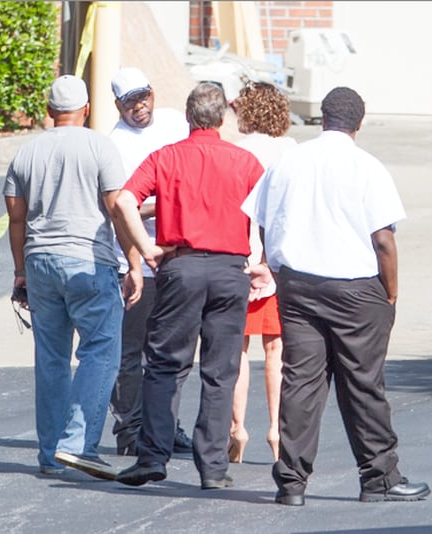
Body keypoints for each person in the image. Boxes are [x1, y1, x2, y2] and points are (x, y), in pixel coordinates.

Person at [241, 86, 430, 506]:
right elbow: (383, 239)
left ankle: (291, 482)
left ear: (322, 119)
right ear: (359, 123)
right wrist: (391, 293)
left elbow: (264, 222)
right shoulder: (367, 167)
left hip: (299, 284)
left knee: (301, 382)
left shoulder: (288, 162)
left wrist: (276, 264)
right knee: (362, 383)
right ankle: (379, 477)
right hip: (356, 289)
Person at [112, 82, 267, 490]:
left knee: (165, 365)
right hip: (231, 270)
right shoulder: (246, 161)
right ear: (222, 118)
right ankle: (213, 468)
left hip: (181, 267)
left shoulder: (166, 156)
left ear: (187, 117)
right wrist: (265, 262)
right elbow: (269, 213)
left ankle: (153, 455)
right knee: (220, 370)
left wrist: (146, 249)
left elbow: (125, 201)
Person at [3, 75, 142, 480]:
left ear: (49, 111)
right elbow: (117, 208)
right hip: (88, 260)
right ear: (86, 110)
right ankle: (78, 444)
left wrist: (20, 272)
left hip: (40, 262)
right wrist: (134, 263)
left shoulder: (25, 153)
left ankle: (50, 455)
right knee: (101, 349)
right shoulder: (100, 146)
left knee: (51, 358)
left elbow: (16, 218)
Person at [107, 67, 193, 457]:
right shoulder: (116, 145)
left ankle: (166, 426)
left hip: (178, 253)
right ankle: (130, 430)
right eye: (129, 103)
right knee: (132, 350)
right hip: (137, 260)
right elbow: (120, 209)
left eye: (143, 97)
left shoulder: (175, 123)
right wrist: (168, 203)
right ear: (117, 106)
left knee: (171, 349)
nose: (139, 107)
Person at [228, 81, 297, 464]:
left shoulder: (236, 152)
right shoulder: (290, 152)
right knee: (276, 349)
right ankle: (277, 430)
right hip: (278, 262)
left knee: (237, 349)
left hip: (240, 257)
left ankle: (237, 428)